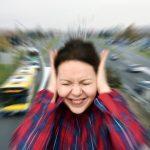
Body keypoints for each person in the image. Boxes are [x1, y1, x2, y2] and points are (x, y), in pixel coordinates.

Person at [10, 39, 148, 150]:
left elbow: (136, 144)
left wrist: (105, 90)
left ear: (97, 81)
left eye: (86, 83)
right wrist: (51, 89)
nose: (76, 92)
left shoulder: (108, 115)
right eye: (66, 83)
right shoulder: (48, 116)